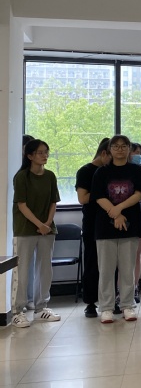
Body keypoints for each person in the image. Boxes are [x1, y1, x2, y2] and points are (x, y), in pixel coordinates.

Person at [91, 135, 141, 323]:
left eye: (124, 146)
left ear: (129, 149)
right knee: (106, 270)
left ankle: (127, 305)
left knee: (127, 269)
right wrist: (115, 213)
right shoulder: (101, 172)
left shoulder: (136, 170)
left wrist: (120, 208)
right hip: (105, 227)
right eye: (115, 146)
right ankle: (106, 308)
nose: (120, 149)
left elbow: (139, 193)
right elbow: (98, 196)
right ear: (109, 149)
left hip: (130, 225)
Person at [11, 139, 61, 328]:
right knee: (22, 269)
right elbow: (22, 205)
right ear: (30, 156)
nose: (44, 155)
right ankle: (18, 311)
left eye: (46, 152)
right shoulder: (21, 177)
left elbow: (53, 202)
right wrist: (39, 224)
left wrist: (47, 224)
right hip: (25, 229)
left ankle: (41, 308)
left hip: (47, 230)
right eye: (40, 152)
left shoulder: (50, 176)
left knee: (45, 269)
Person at [75, 137, 111, 318]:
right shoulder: (85, 171)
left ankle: (111, 300)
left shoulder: (111, 171)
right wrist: (100, 194)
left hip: (110, 221)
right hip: (92, 222)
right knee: (91, 261)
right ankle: (90, 302)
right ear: (104, 153)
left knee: (112, 264)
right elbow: (82, 198)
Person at [129, 142, 141, 303]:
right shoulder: (123, 172)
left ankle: (135, 287)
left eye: (139, 153)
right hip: (125, 217)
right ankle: (122, 290)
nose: (137, 155)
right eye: (134, 152)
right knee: (123, 257)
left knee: (136, 254)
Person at [22, 134, 37, 312]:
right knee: (22, 263)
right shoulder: (20, 175)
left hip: (41, 225)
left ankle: (31, 298)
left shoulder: (45, 175)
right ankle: (20, 300)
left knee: (33, 264)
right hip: (22, 225)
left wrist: (44, 223)